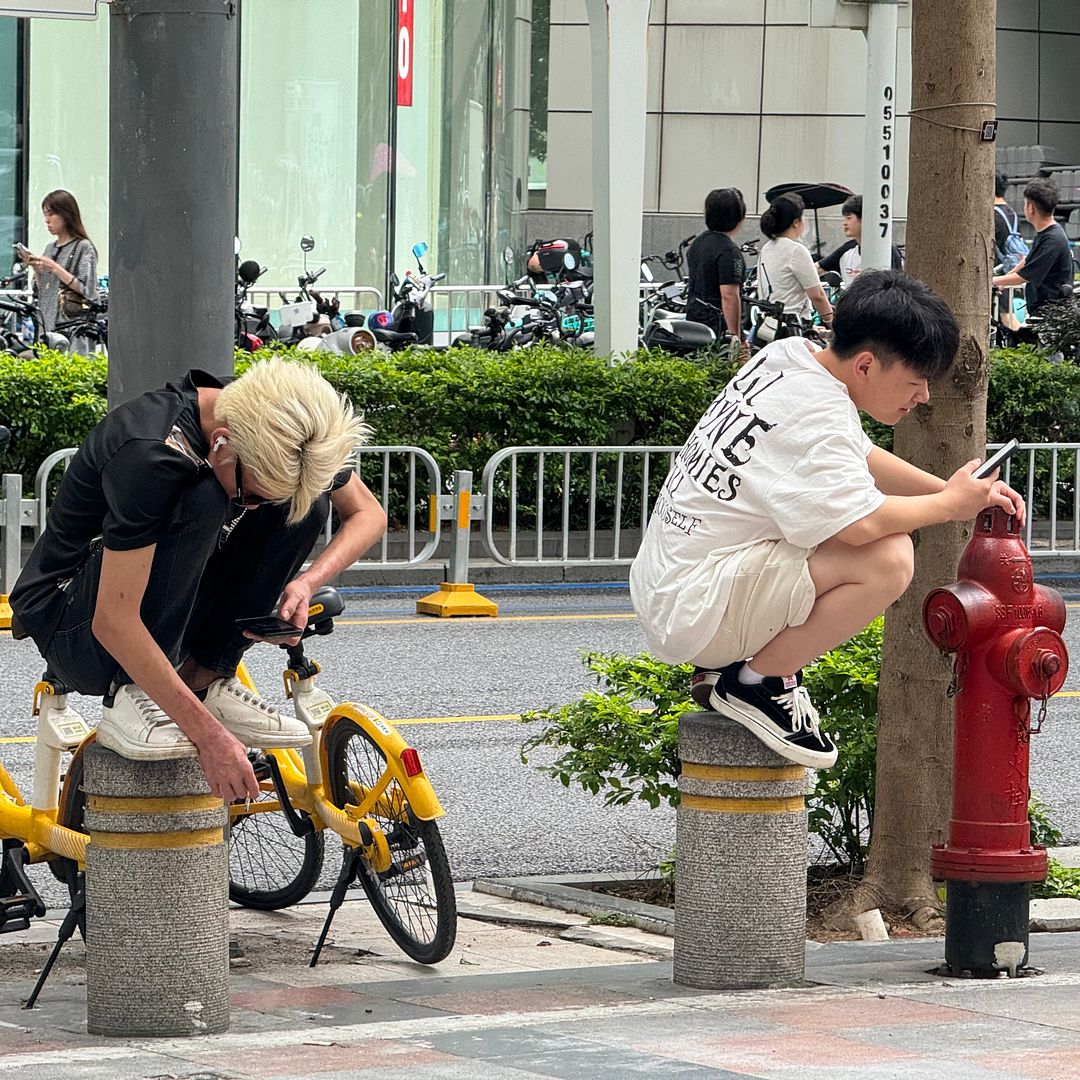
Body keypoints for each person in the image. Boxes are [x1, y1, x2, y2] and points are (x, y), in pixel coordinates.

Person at [629, 271, 1024, 770]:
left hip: (677, 582)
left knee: (869, 540)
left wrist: (949, 489)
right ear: (865, 365)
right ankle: (757, 683)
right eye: (914, 380)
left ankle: (730, 668)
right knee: (887, 556)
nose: (923, 396)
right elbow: (857, 525)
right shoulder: (818, 417)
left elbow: (857, 456)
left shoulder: (789, 358)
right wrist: (951, 507)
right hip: (696, 610)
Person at [10, 357, 387, 803]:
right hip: (74, 624)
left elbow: (367, 514)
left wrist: (306, 582)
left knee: (302, 504)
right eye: (248, 496)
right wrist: (210, 739)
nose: (247, 510)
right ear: (222, 444)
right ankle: (132, 693)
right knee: (204, 498)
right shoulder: (150, 451)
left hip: (162, 608)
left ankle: (205, 678)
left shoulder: (276, 420)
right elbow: (112, 620)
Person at [24, 190, 99, 353]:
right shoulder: (50, 248)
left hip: (74, 327)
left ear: (66, 214)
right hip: (48, 325)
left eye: (51, 214)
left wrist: (55, 268)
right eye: (45, 214)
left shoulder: (83, 247)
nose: (47, 220)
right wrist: (36, 268)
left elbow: (88, 290)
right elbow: (42, 290)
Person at [992, 178, 1073, 315]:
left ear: (1030, 208)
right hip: (1044, 310)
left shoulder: (1052, 239)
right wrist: (1003, 281)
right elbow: (1027, 261)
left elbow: (1024, 276)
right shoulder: (1046, 232)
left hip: (1052, 314)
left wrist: (991, 281)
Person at [756, 192, 833, 330]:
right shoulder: (796, 250)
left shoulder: (766, 248)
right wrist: (832, 323)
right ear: (796, 222)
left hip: (768, 324)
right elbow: (817, 295)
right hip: (791, 325)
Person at [686, 188, 747, 342]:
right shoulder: (729, 251)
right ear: (738, 217)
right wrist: (735, 337)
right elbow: (729, 297)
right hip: (717, 329)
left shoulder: (697, 243)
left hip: (694, 324)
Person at [817, 195, 904, 288]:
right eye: (844, 218)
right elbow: (818, 268)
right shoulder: (847, 250)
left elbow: (896, 286)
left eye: (849, 218)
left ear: (865, 219)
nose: (844, 223)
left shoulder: (888, 251)